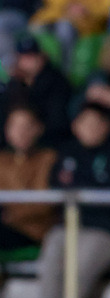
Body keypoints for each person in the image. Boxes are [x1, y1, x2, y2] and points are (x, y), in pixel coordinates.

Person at [17, 103, 110, 298]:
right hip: (71, 227)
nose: (90, 129)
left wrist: (82, 193)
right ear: (75, 126)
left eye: (95, 123)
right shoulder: (67, 153)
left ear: (106, 126)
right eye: (85, 123)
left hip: (106, 229)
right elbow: (57, 188)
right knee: (53, 246)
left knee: (82, 262)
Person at [0, 106, 58, 257]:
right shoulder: (2, 160)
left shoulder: (50, 159)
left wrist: (11, 214)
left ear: (39, 128)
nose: (21, 132)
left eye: (27, 126)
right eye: (15, 126)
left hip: (37, 233)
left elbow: (43, 206)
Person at [1, 34, 72, 147]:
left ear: (42, 56)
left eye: (32, 56)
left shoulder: (57, 81)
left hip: (47, 141)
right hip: (11, 143)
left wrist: (32, 129)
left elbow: (58, 120)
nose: (28, 62)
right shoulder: (15, 83)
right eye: (24, 57)